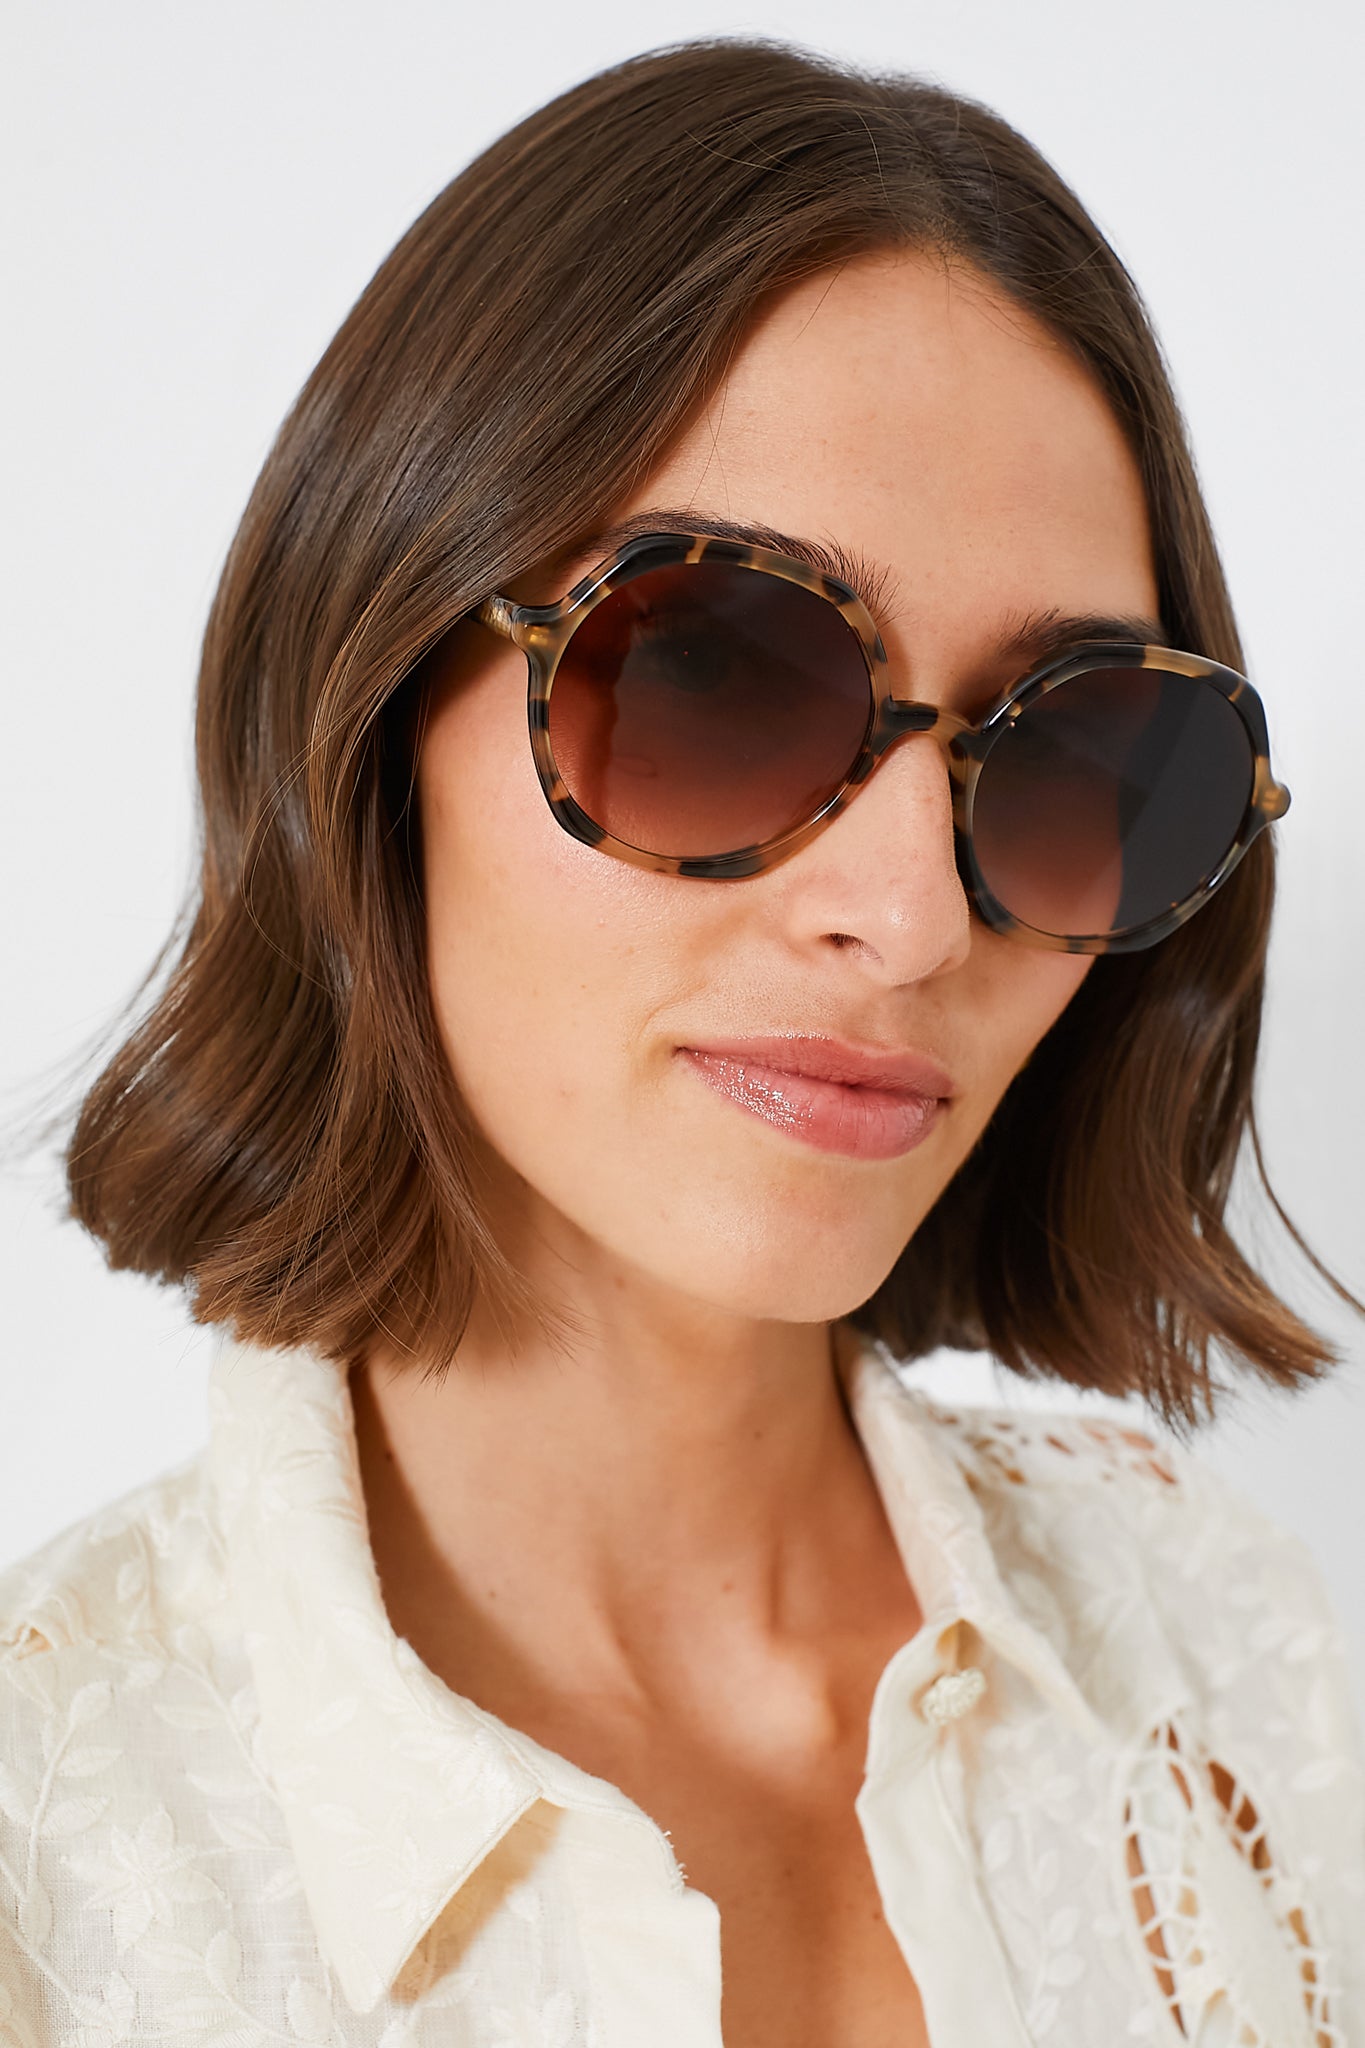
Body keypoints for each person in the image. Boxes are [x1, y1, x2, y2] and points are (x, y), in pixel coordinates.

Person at [1, 35, 1361, 2048]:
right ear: (372, 705)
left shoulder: (1235, 1665)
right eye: (718, 676)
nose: (909, 916)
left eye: (1077, 749)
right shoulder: (53, 1853)